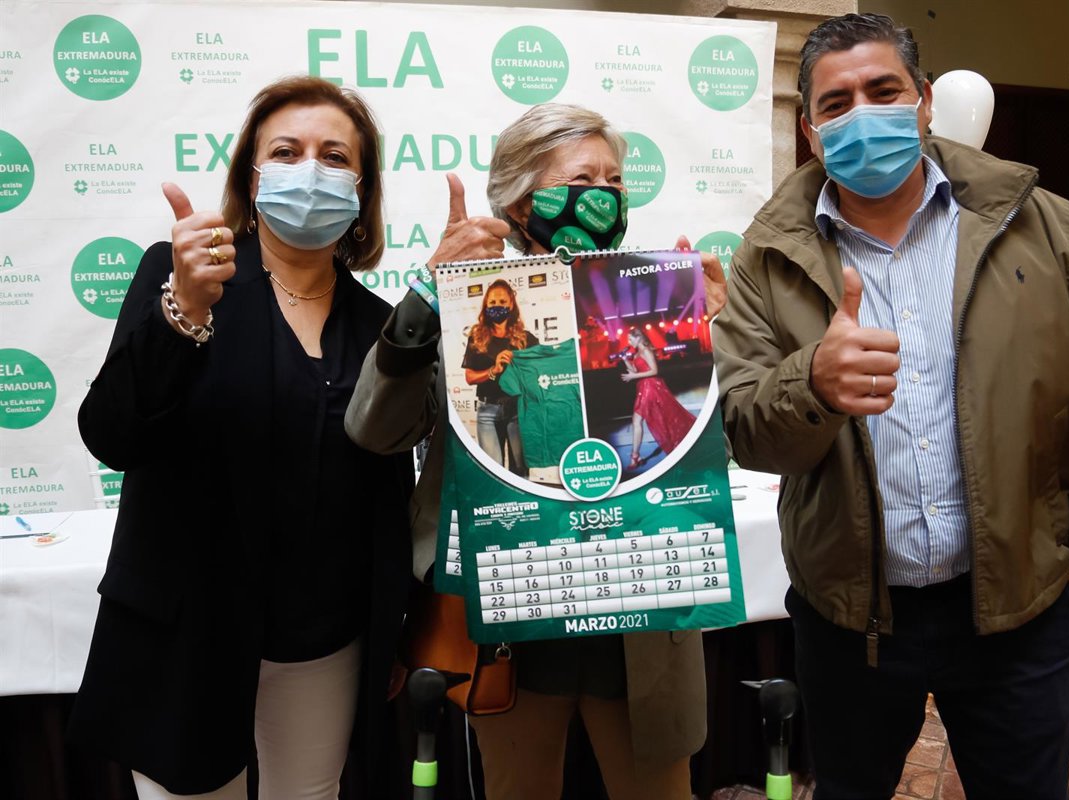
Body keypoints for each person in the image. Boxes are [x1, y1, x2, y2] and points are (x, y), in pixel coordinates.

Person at [712, 13, 1069, 800]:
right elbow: (748, 432)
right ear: (810, 131)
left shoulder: (1043, 228)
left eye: (883, 91)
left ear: (922, 100)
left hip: (1020, 613)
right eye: (836, 103)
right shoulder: (767, 259)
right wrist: (812, 385)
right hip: (848, 619)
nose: (863, 115)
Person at [345, 102, 726, 800]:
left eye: (615, 181)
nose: (604, 196)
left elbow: (697, 450)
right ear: (522, 202)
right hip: (512, 617)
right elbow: (375, 429)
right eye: (582, 180)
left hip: (642, 620)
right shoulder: (473, 309)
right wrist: (428, 294)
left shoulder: (650, 302)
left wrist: (700, 341)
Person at [68, 76, 412, 799]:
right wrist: (184, 314)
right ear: (251, 179)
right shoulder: (180, 278)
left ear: (363, 189)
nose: (309, 170)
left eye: (334, 156)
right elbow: (112, 435)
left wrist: (394, 629)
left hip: (324, 639)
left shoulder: (378, 323)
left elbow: (387, 491)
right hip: (188, 628)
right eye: (285, 152)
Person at [463, 277, 539, 475]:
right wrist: (493, 371)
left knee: (520, 472)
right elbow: (469, 377)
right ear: (486, 305)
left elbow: (538, 373)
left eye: (502, 301)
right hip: (487, 411)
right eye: (493, 302)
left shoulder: (526, 339)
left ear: (511, 304)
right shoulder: (476, 338)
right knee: (493, 473)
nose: (497, 306)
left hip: (518, 409)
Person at [620, 327, 697, 468]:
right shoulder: (637, 353)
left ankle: (635, 457)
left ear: (638, 338)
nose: (629, 342)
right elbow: (634, 370)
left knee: (638, 420)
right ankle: (635, 456)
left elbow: (654, 370)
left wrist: (633, 376)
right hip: (643, 388)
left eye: (630, 339)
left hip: (651, 387)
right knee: (651, 419)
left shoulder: (646, 351)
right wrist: (625, 359)